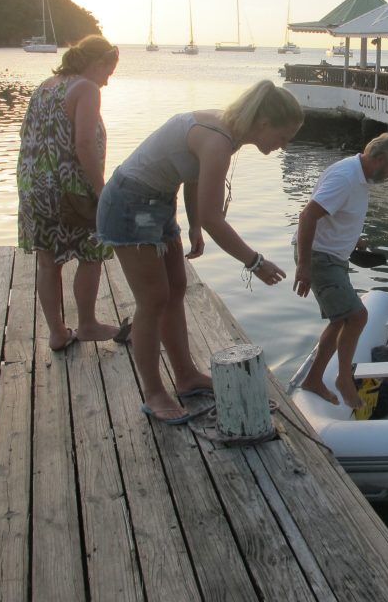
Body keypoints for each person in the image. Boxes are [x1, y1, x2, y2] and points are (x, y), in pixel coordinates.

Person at [97, 80, 304, 424]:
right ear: (265, 123)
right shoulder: (219, 140)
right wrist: (255, 262)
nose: (283, 146)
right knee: (152, 300)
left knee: (176, 289)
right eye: (284, 137)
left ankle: (186, 376)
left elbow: (193, 177)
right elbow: (215, 218)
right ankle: (153, 393)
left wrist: (192, 224)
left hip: (157, 202)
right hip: (129, 203)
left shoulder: (227, 131)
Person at [17, 35, 126, 352]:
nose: (107, 81)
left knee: (48, 261)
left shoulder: (46, 86)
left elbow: (31, 135)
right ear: (97, 63)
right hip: (69, 187)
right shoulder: (86, 88)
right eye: (108, 72)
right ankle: (88, 323)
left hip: (34, 186)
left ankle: (57, 333)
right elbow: (84, 144)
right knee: (92, 252)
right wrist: (100, 188)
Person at [292, 133, 388, 409]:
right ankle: (344, 380)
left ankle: (313, 379)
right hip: (320, 256)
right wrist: (304, 266)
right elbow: (307, 216)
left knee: (339, 321)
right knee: (357, 317)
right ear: (380, 159)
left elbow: (336, 212)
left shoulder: (360, 176)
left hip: (334, 254)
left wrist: (352, 237)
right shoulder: (346, 177)